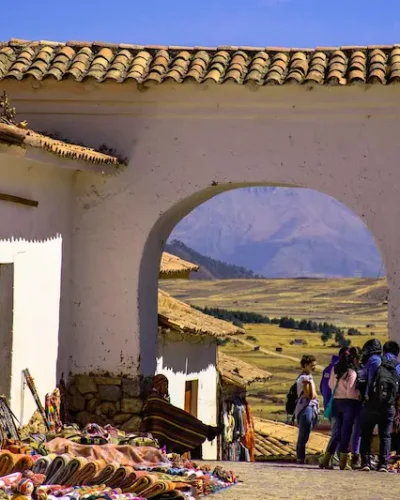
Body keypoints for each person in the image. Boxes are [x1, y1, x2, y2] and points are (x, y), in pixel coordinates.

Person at [141, 374, 223, 455]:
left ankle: (208, 430)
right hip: (163, 428)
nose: (166, 389)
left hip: (166, 427)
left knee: (185, 419)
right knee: (183, 419)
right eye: (165, 385)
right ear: (158, 385)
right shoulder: (155, 399)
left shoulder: (156, 398)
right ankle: (208, 430)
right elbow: (166, 414)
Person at [359, 339, 399, 472]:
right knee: (385, 435)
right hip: (389, 405)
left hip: (371, 403)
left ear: (384, 350)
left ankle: (365, 462)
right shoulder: (398, 365)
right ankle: (382, 464)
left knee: (366, 433)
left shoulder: (374, 359)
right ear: (397, 353)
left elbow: (362, 377)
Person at [319, 348, 360, 470]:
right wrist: (359, 395)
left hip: (336, 402)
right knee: (346, 432)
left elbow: (331, 385)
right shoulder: (351, 373)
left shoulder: (334, 370)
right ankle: (343, 461)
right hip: (348, 404)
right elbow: (351, 392)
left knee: (337, 432)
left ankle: (326, 458)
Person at [295, 354, 319, 464]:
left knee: (305, 434)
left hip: (309, 408)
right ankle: (300, 457)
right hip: (306, 408)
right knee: (303, 434)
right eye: (312, 365)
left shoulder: (308, 378)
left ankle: (301, 457)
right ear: (305, 365)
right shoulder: (304, 379)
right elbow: (310, 395)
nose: (314, 367)